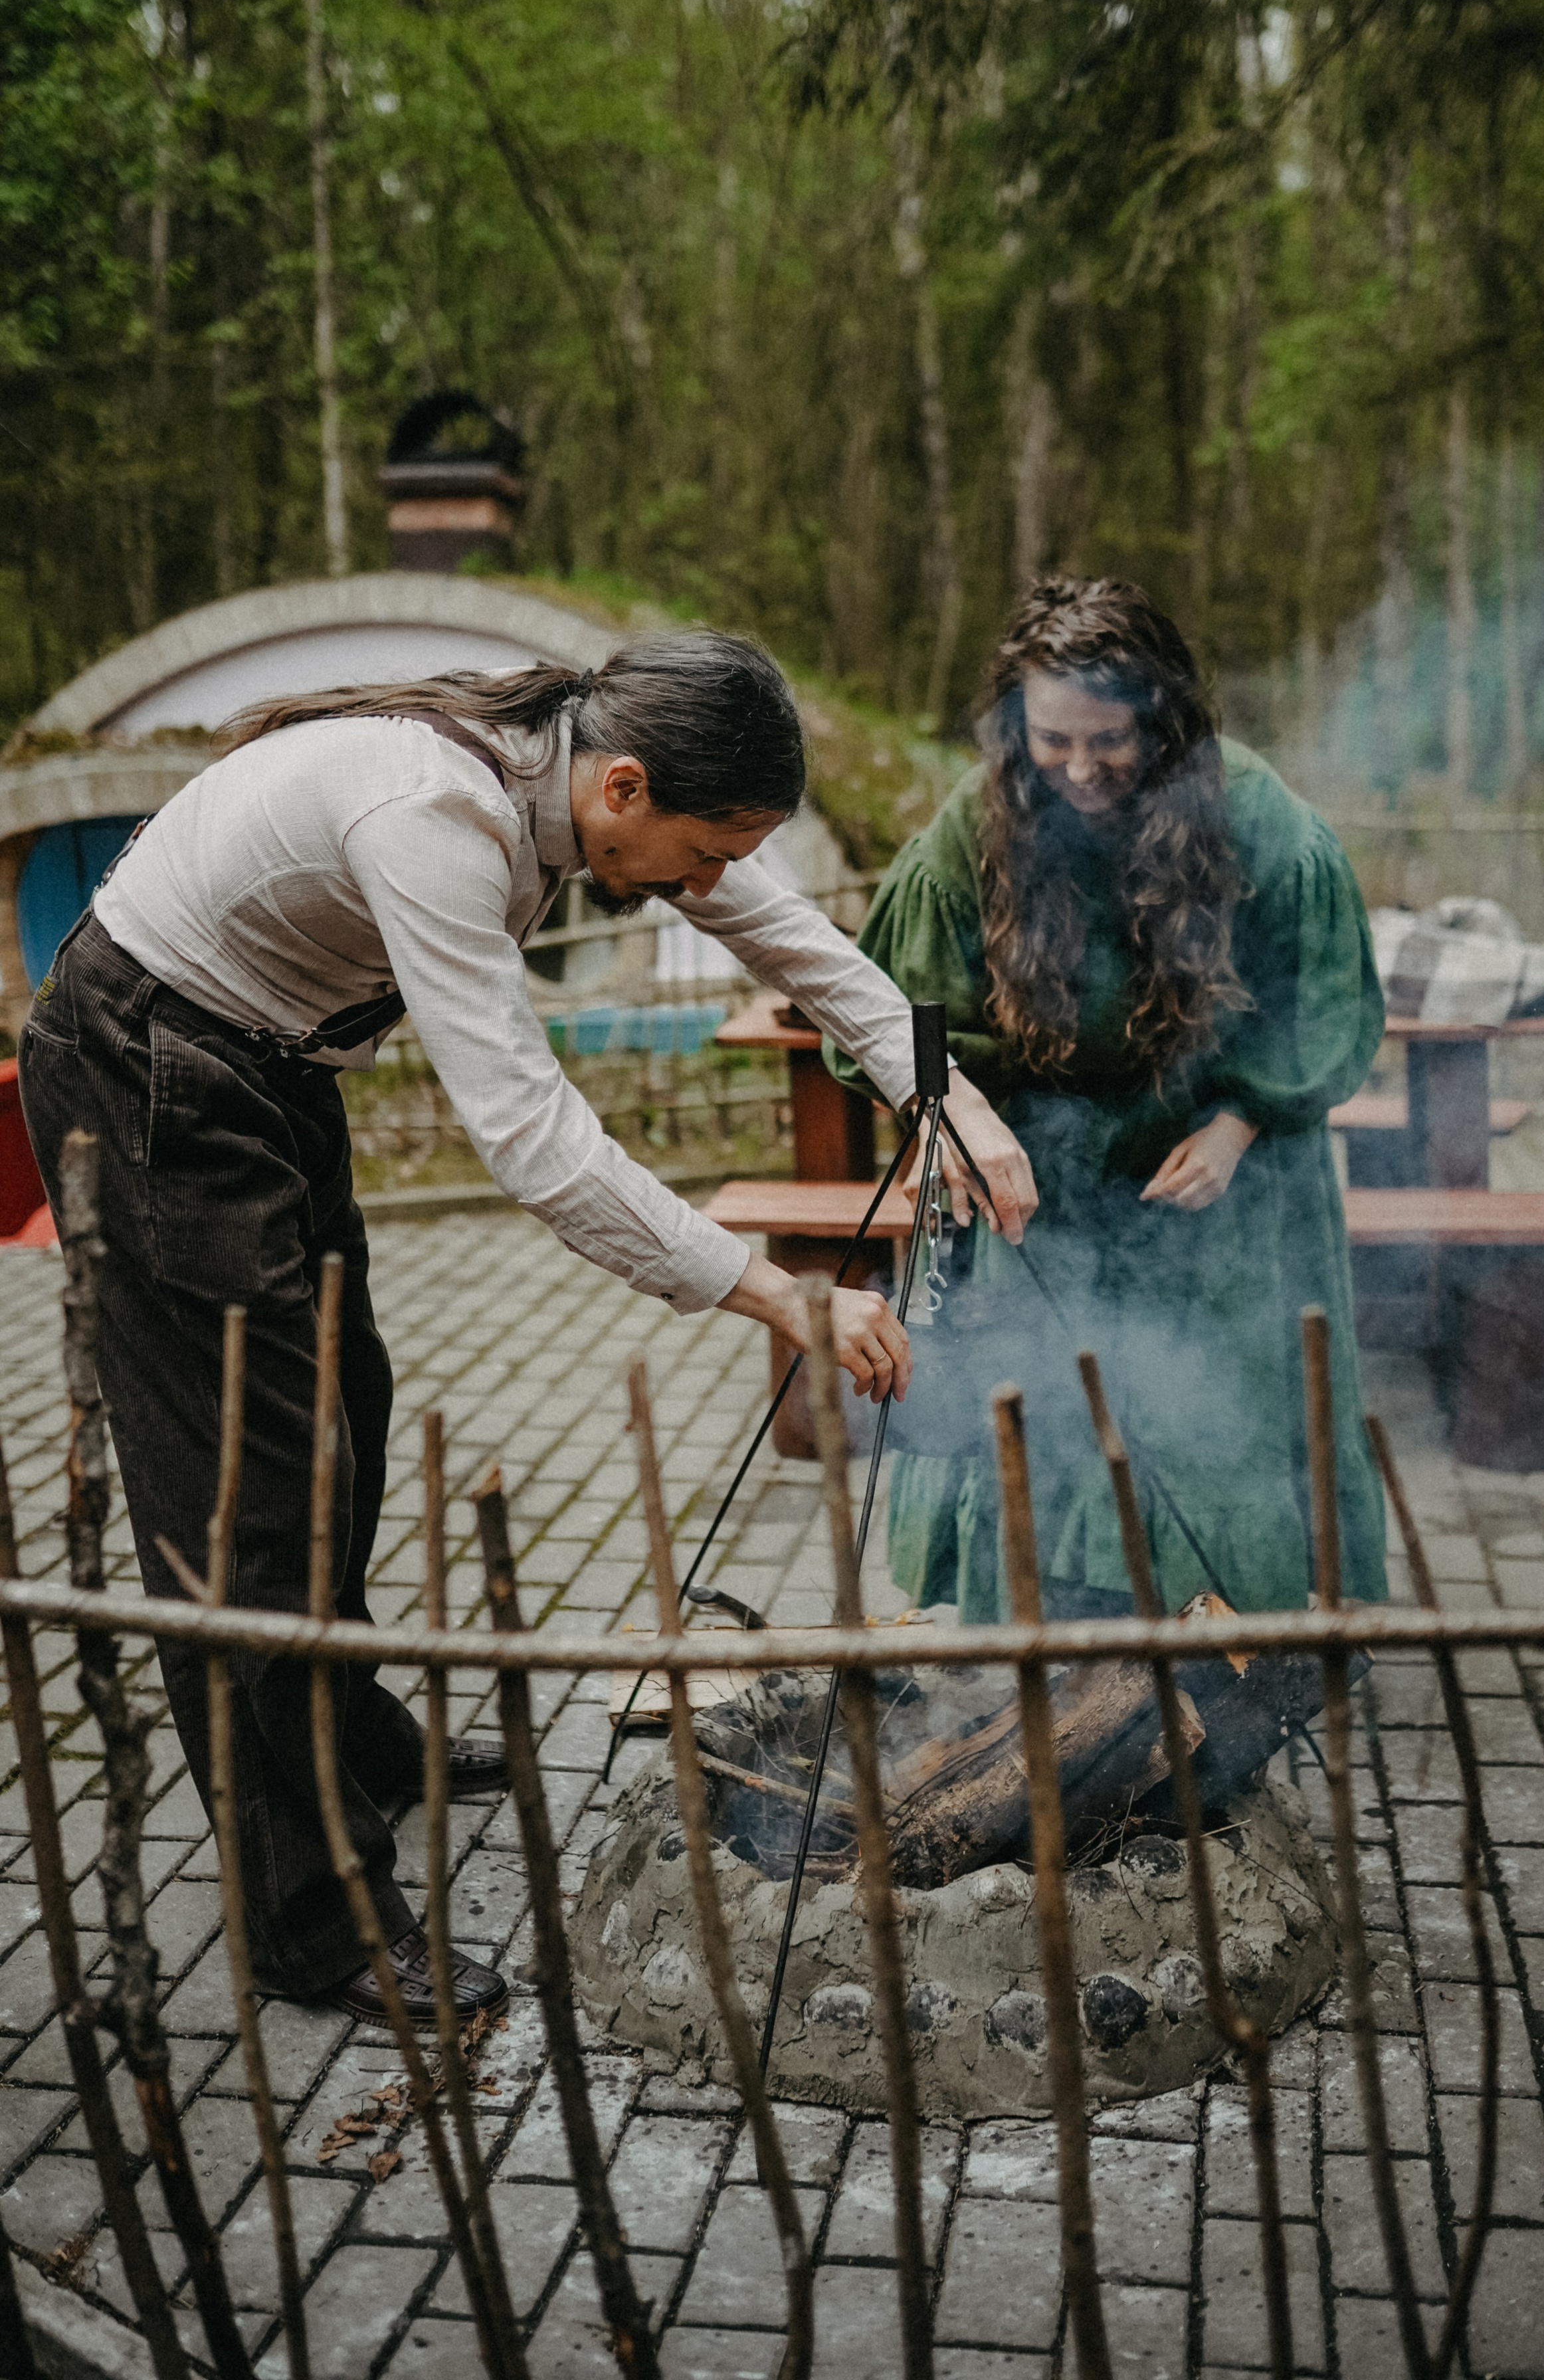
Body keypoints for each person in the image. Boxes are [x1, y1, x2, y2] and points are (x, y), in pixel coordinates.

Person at [17, 633, 1035, 2021]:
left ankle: (358, 1740)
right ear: (622, 790)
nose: (710, 885)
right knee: (240, 1503)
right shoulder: (437, 818)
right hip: (149, 1070)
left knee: (341, 1415)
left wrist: (949, 1103)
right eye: (703, 850)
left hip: (262, 1064)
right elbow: (535, 1145)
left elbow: (795, 942)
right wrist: (775, 1294)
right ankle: (316, 1920)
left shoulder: (577, 769)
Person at [824, 576, 1387, 1625]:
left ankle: (1224, 1629)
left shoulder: (1258, 819)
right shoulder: (974, 827)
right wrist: (939, 1121)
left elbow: (1319, 1003)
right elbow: (899, 1013)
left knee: (1209, 1402)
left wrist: (1236, 1123)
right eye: (1053, 740)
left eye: (1111, 741)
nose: (1080, 768)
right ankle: (1047, 1628)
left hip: (1218, 1181)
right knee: (1040, 1392)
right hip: (1040, 1170)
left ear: (1164, 724)